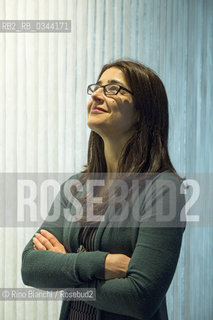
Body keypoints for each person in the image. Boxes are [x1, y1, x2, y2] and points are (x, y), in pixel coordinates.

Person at [21, 60, 186, 320]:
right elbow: (30, 267)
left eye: (113, 88)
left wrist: (64, 267)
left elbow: (140, 297)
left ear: (143, 111)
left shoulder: (163, 189)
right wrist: (103, 263)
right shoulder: (76, 187)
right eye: (97, 87)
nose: (96, 94)